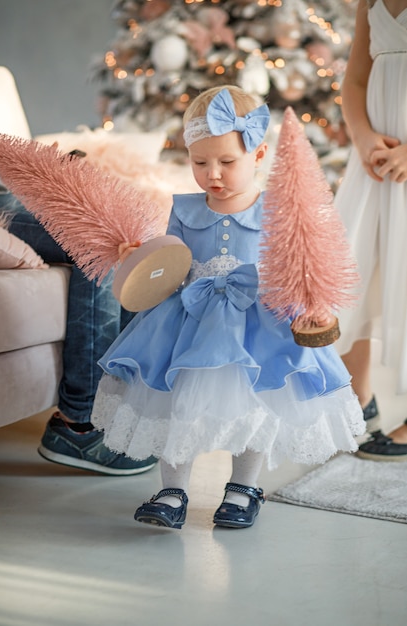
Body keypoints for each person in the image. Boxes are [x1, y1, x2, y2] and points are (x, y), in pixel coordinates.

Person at [91, 85, 365, 530]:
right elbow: (172, 265)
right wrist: (138, 259)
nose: (212, 174)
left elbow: (295, 266)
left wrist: (308, 305)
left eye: (226, 162)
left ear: (258, 157)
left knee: (256, 400)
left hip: (257, 324)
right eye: (200, 162)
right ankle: (172, 489)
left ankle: (242, 489)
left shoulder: (275, 210)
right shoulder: (184, 208)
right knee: (175, 399)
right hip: (190, 321)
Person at [0, 181, 157, 476]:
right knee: (99, 240)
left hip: (6, 187)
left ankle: (120, 410)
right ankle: (79, 425)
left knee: (133, 230)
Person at [334, 0, 407, 461]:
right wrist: (362, 138)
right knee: (353, 269)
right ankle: (355, 401)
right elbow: (355, 79)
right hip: (375, 162)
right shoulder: (371, 1)